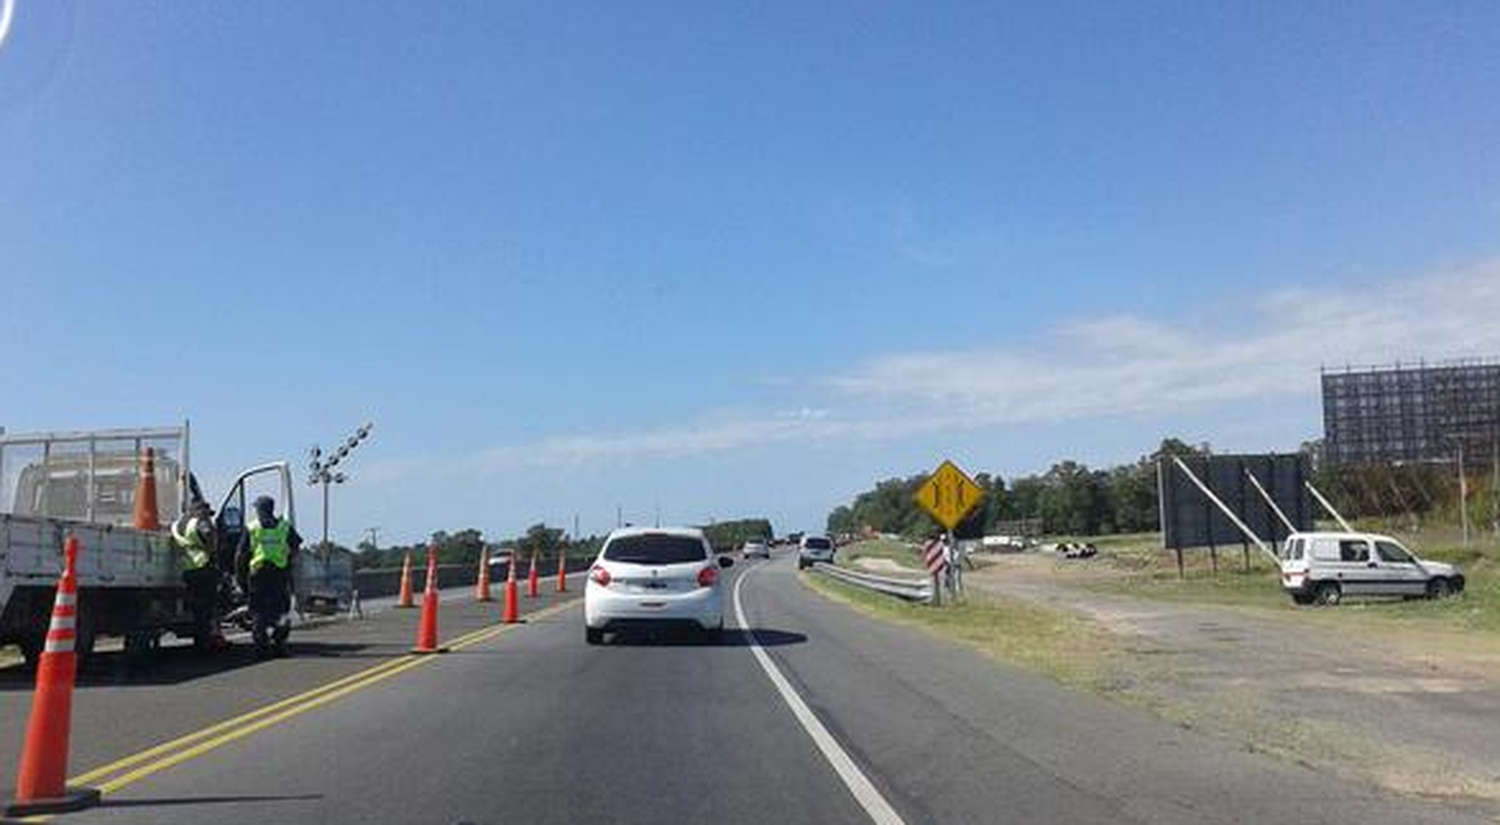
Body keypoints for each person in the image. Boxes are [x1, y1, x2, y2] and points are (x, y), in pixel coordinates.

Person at [236, 495, 302, 658]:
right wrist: (288, 563)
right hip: (279, 573)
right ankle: (280, 643)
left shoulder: (252, 527)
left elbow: (240, 555)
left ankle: (261, 647)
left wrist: (240, 578)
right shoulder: (284, 527)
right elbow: (296, 547)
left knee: (258, 611)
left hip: (258, 574)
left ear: (259, 510)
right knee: (282, 611)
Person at [170, 500, 225, 652]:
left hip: (187, 569)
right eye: (207, 513)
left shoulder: (176, 525)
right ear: (199, 511)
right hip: (204, 566)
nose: (208, 517)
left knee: (196, 608)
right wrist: (213, 543)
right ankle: (205, 641)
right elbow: (210, 540)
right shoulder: (200, 523)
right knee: (206, 609)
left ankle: (202, 640)